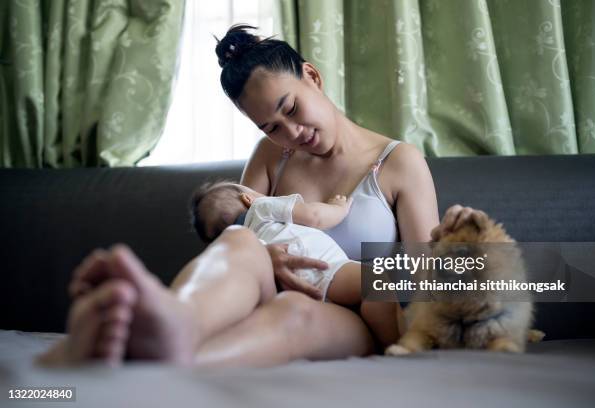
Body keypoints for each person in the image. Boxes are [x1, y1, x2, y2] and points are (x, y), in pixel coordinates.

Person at [38, 24, 481, 368]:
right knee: (239, 241)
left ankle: (153, 360)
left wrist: (455, 242)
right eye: (270, 126)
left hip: (353, 314)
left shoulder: (399, 161)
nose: (292, 134)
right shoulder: (273, 156)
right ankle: (177, 323)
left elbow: (428, 274)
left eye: (290, 109)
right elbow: (239, 230)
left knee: (295, 313)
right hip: (264, 291)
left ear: (311, 76)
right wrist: (266, 255)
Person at [189, 181, 398, 344]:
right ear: (247, 198)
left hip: (291, 293)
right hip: (326, 268)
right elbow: (314, 216)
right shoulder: (261, 207)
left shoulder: (244, 244)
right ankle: (393, 346)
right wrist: (338, 208)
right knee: (376, 282)